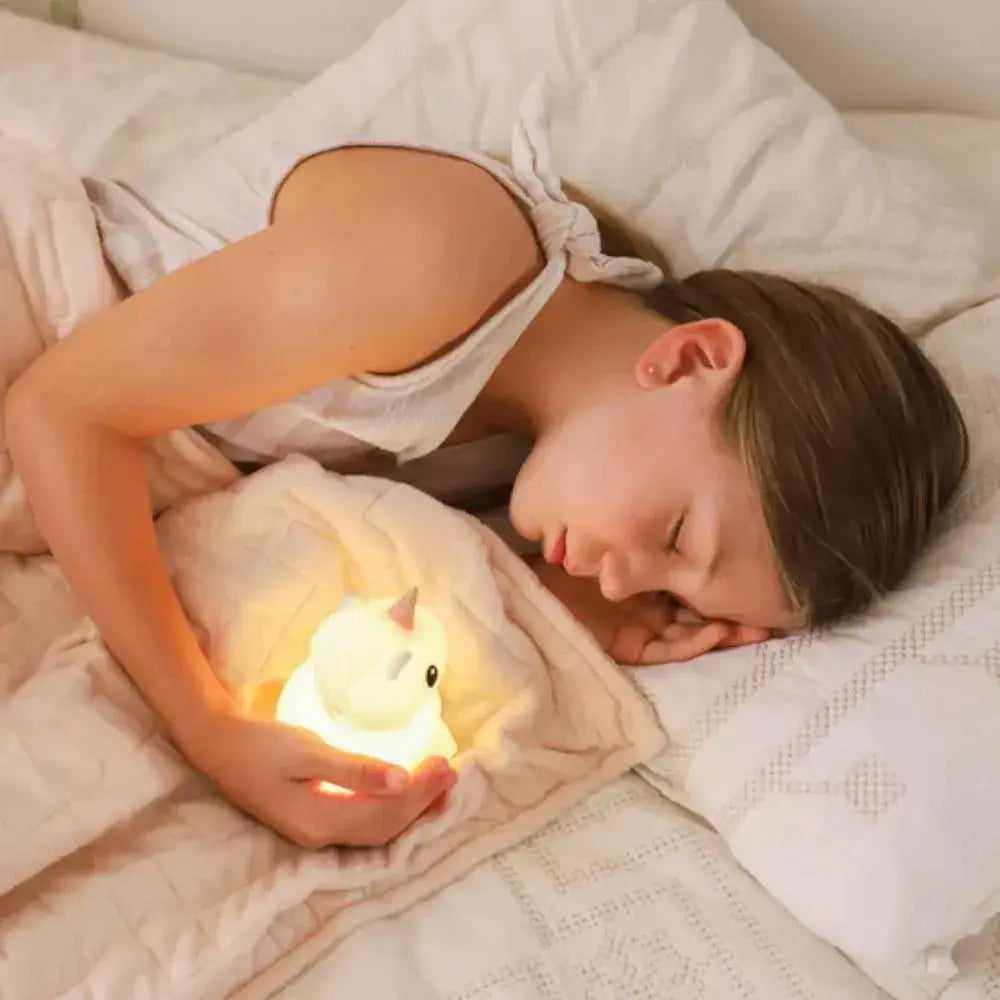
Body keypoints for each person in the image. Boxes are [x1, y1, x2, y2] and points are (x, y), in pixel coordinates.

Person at [5, 116, 968, 850]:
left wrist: (562, 599)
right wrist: (215, 733)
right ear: (687, 361)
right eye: (675, 538)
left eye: (673, 596)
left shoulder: (521, 442)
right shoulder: (447, 259)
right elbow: (62, 411)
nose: (630, 581)